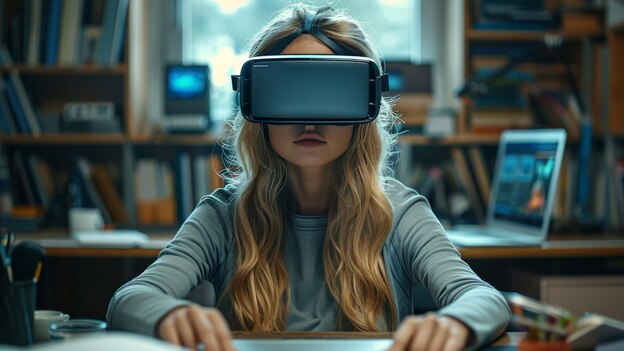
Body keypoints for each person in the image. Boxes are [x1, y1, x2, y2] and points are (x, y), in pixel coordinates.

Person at [107, 4, 510, 351]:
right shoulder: (223, 214)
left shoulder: (400, 213)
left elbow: (482, 298)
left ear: (364, 108)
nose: (310, 119)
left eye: (331, 94)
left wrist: (454, 323)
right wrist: (169, 314)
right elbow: (130, 298)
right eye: (290, 93)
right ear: (256, 106)